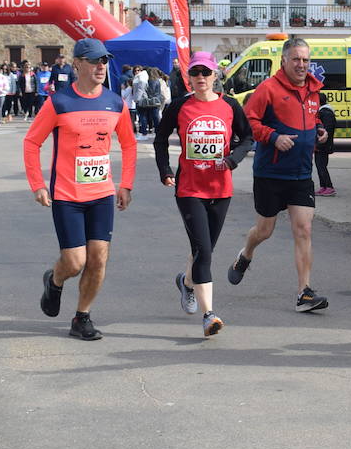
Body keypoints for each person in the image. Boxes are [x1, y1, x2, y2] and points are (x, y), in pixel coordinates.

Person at [23, 38, 136, 341]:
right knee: (75, 263)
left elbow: (129, 144)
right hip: (67, 195)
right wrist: (37, 184)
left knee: (98, 259)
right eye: (94, 60)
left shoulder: (115, 102)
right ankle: (55, 280)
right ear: (77, 64)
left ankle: (81, 317)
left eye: (104, 61)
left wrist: (126, 184)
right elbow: (32, 142)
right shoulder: (59, 102)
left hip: (101, 195)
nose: (101, 66)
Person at [226, 36, 330, 313]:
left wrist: (319, 128)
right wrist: (273, 137)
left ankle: (304, 293)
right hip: (270, 173)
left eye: (305, 60)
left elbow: (311, 117)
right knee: (264, 230)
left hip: (301, 174)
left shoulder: (313, 90)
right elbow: (247, 122)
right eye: (296, 59)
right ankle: (245, 253)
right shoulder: (268, 89)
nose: (301, 64)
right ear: (284, 60)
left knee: (304, 229)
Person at [155, 51, 250, 337]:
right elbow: (160, 139)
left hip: (221, 189)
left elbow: (247, 138)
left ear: (215, 75)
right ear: (189, 77)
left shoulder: (230, 105)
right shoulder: (179, 106)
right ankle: (209, 315)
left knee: (203, 249)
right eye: (195, 73)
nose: (200, 78)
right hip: (189, 188)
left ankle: (186, 282)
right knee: (204, 251)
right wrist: (165, 169)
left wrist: (233, 160)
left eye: (206, 72)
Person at [314, 92, 338, 196]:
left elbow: (328, 130)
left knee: (321, 166)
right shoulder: (322, 111)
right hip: (319, 144)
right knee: (319, 165)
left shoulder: (326, 113)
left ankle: (329, 187)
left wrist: (321, 142)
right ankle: (323, 186)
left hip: (323, 144)